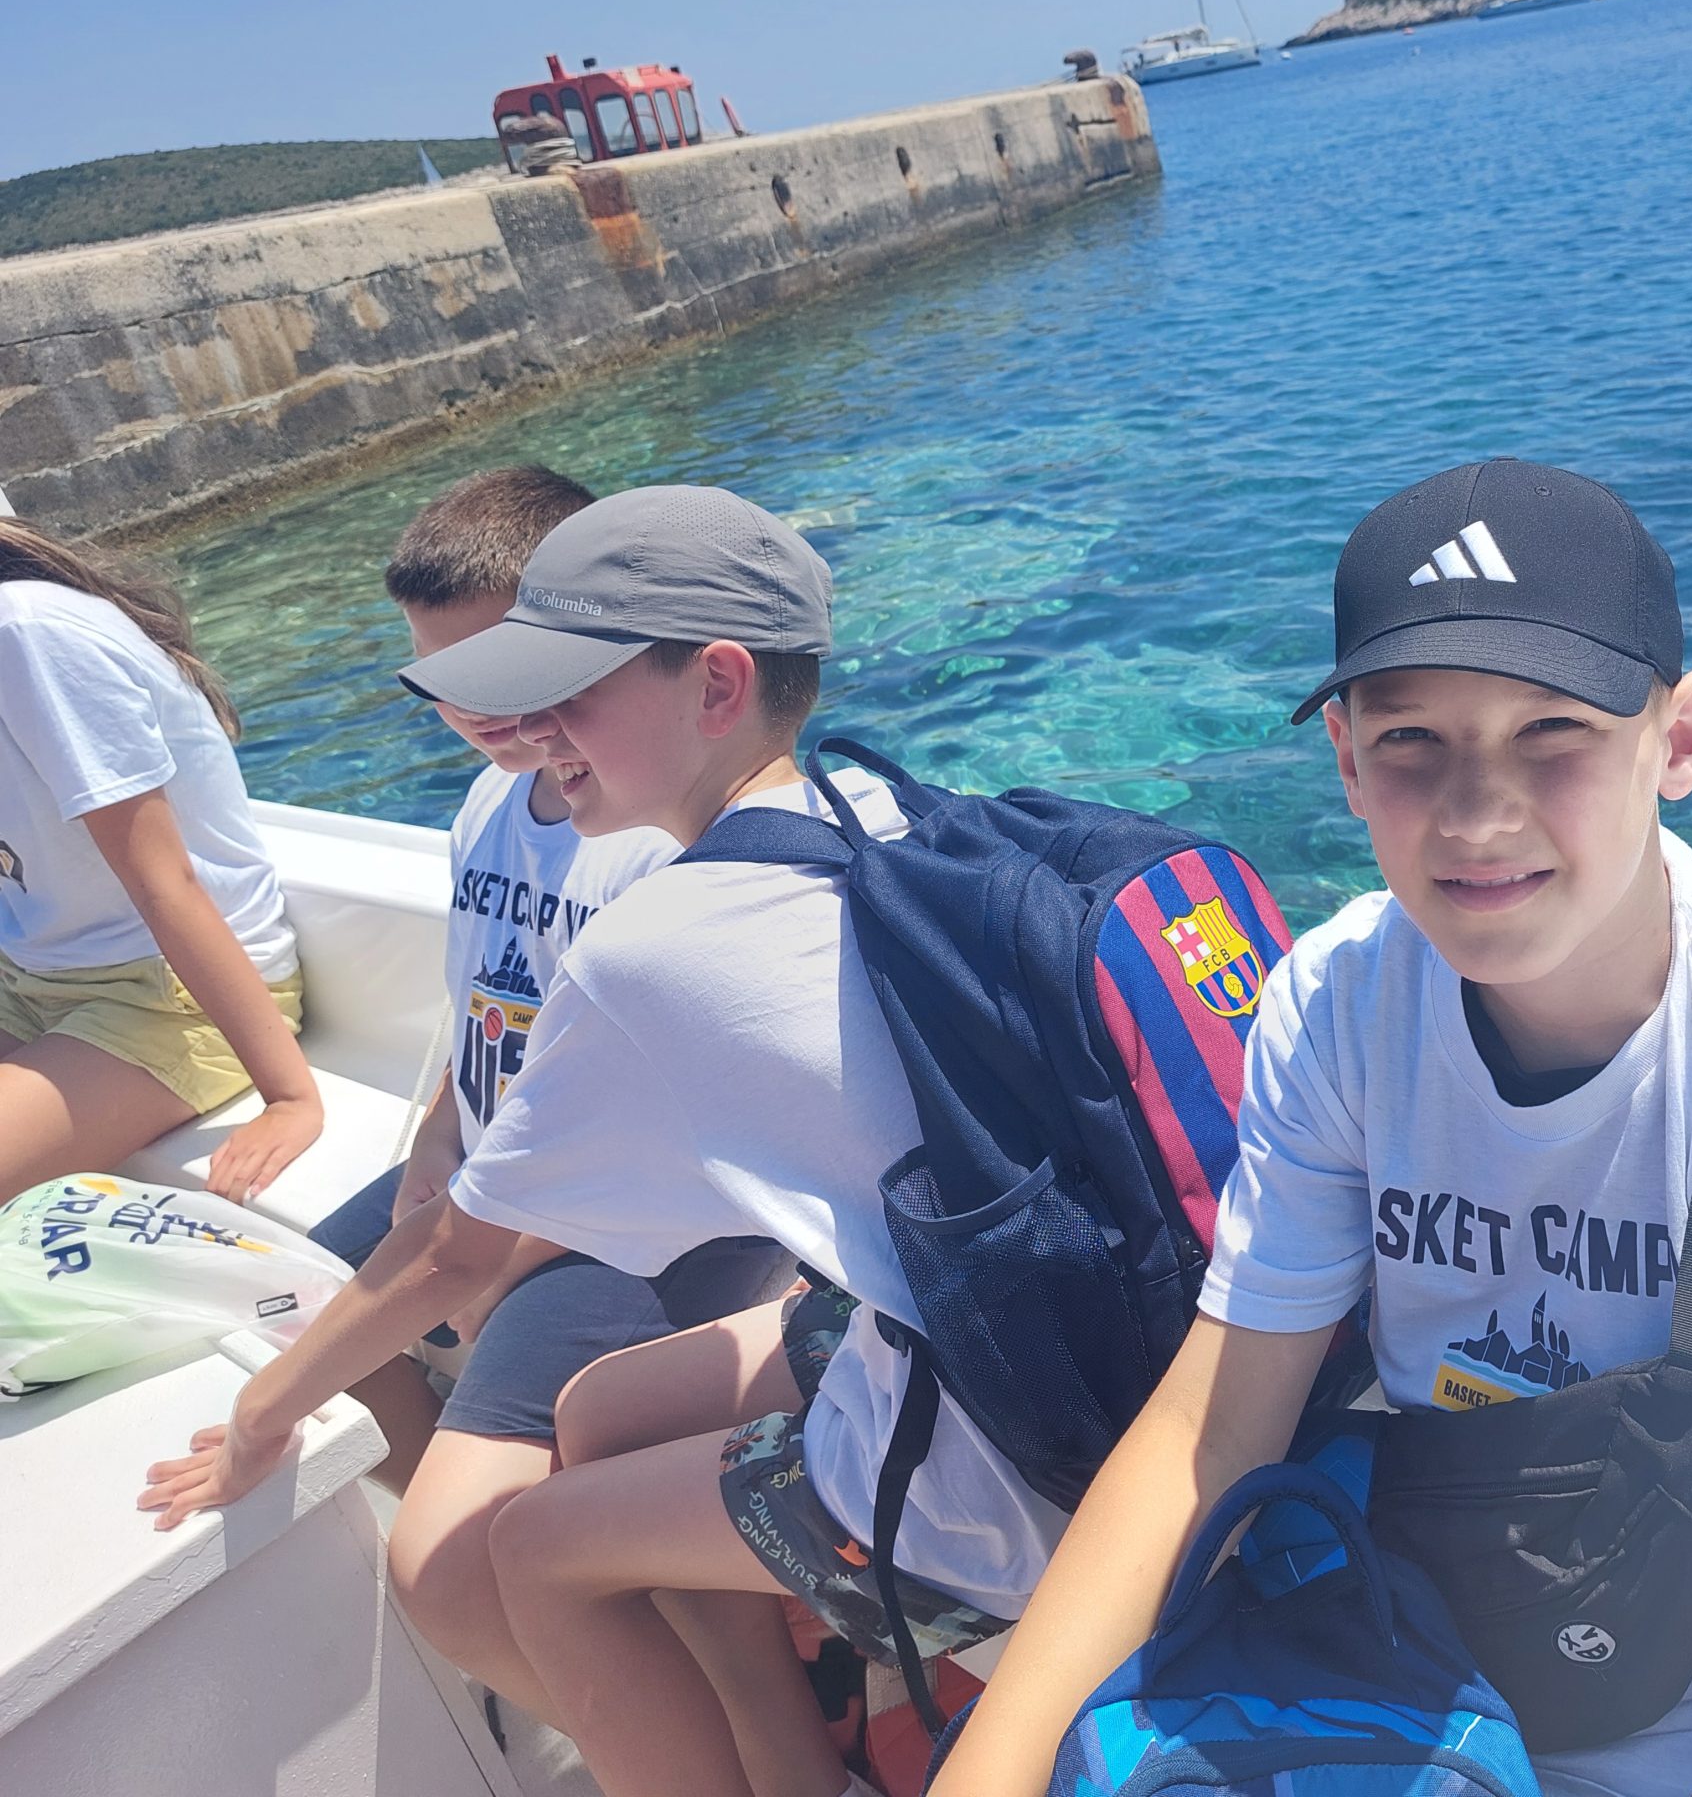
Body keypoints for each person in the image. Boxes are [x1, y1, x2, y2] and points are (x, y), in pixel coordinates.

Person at [939, 460, 1692, 1797]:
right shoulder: (1339, 1004)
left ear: (1680, 739)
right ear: (1346, 759)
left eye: (1553, 733)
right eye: (1413, 741)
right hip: (1440, 1704)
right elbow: (1216, 1430)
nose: (1478, 815)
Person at [143, 486, 1057, 1797]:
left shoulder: (655, 940)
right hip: (1022, 1331)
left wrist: (255, 1418)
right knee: (606, 1412)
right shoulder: (894, 821)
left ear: (718, 685)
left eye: (567, 694)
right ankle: (794, 1752)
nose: (534, 733)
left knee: (519, 1552)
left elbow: (458, 1257)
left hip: (982, 1445)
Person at [282, 466, 782, 1724]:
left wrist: (483, 1266)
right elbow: (478, 1009)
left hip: (624, 1221)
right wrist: (432, 1143)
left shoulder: (647, 833)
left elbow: (643, 1126)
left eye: (499, 669)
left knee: (448, 1556)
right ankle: (569, 1647)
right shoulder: (489, 805)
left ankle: (589, 1656)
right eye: (438, 680)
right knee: (288, 1295)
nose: (475, 710)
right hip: (501, 1175)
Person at [0, 516, 317, 1205]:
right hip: (30, 975)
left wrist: (290, 1097)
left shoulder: (27, 633)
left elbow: (164, 882)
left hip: (166, 997)